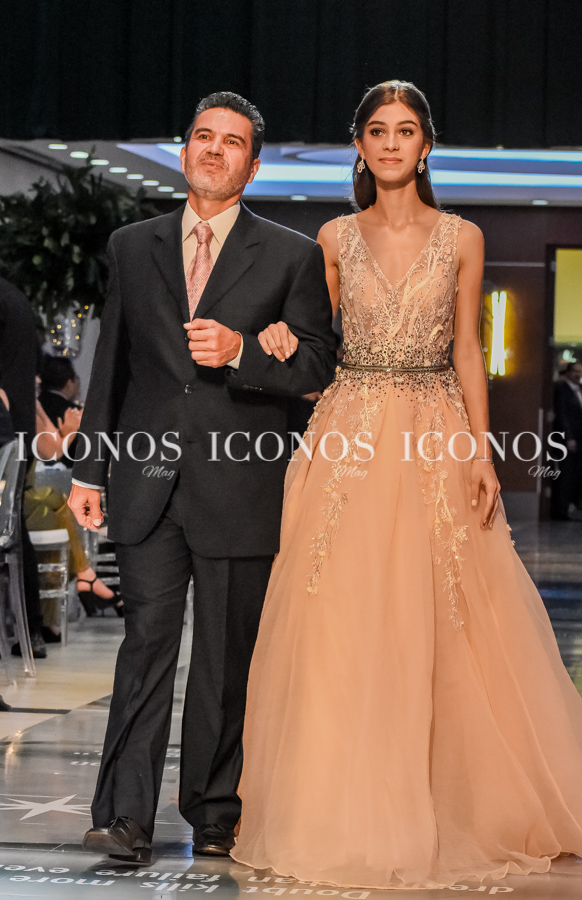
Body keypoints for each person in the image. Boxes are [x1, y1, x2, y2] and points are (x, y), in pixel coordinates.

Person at [232, 81, 582, 890]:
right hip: (349, 433)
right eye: (379, 131)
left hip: (433, 429)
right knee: (339, 612)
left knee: (446, 613)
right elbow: (314, 343)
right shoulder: (332, 237)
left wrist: (481, 452)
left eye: (407, 131)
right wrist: (277, 338)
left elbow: (467, 348)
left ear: (426, 147)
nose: (392, 143)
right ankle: (331, 804)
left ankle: (451, 799)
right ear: (359, 145)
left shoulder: (463, 237)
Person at [68, 91, 336, 865]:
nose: (215, 149)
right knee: (145, 646)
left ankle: (214, 813)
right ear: (185, 151)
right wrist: (90, 469)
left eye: (233, 141)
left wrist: (245, 351)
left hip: (241, 486)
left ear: (253, 165)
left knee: (224, 659)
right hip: (144, 481)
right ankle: (124, 815)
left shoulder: (291, 255)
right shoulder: (132, 245)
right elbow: (110, 363)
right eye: (203, 136)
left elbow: (319, 366)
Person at [0, 276, 47, 659]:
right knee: (14, 527)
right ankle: (30, 629)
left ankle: (28, 627)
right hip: (16, 430)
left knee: (12, 527)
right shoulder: (13, 296)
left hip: (5, 429)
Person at [551, 361, 582, 520]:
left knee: (576, 474)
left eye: (580, 371)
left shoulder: (579, 389)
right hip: (566, 439)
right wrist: (568, 437)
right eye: (575, 371)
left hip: (579, 439)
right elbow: (562, 415)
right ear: (568, 372)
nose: (578, 374)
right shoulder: (562, 389)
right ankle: (561, 509)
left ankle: (572, 506)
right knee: (566, 474)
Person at [39, 356, 83, 469]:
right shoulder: (74, 412)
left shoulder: (34, 406)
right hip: (66, 470)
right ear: (69, 382)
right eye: (76, 378)